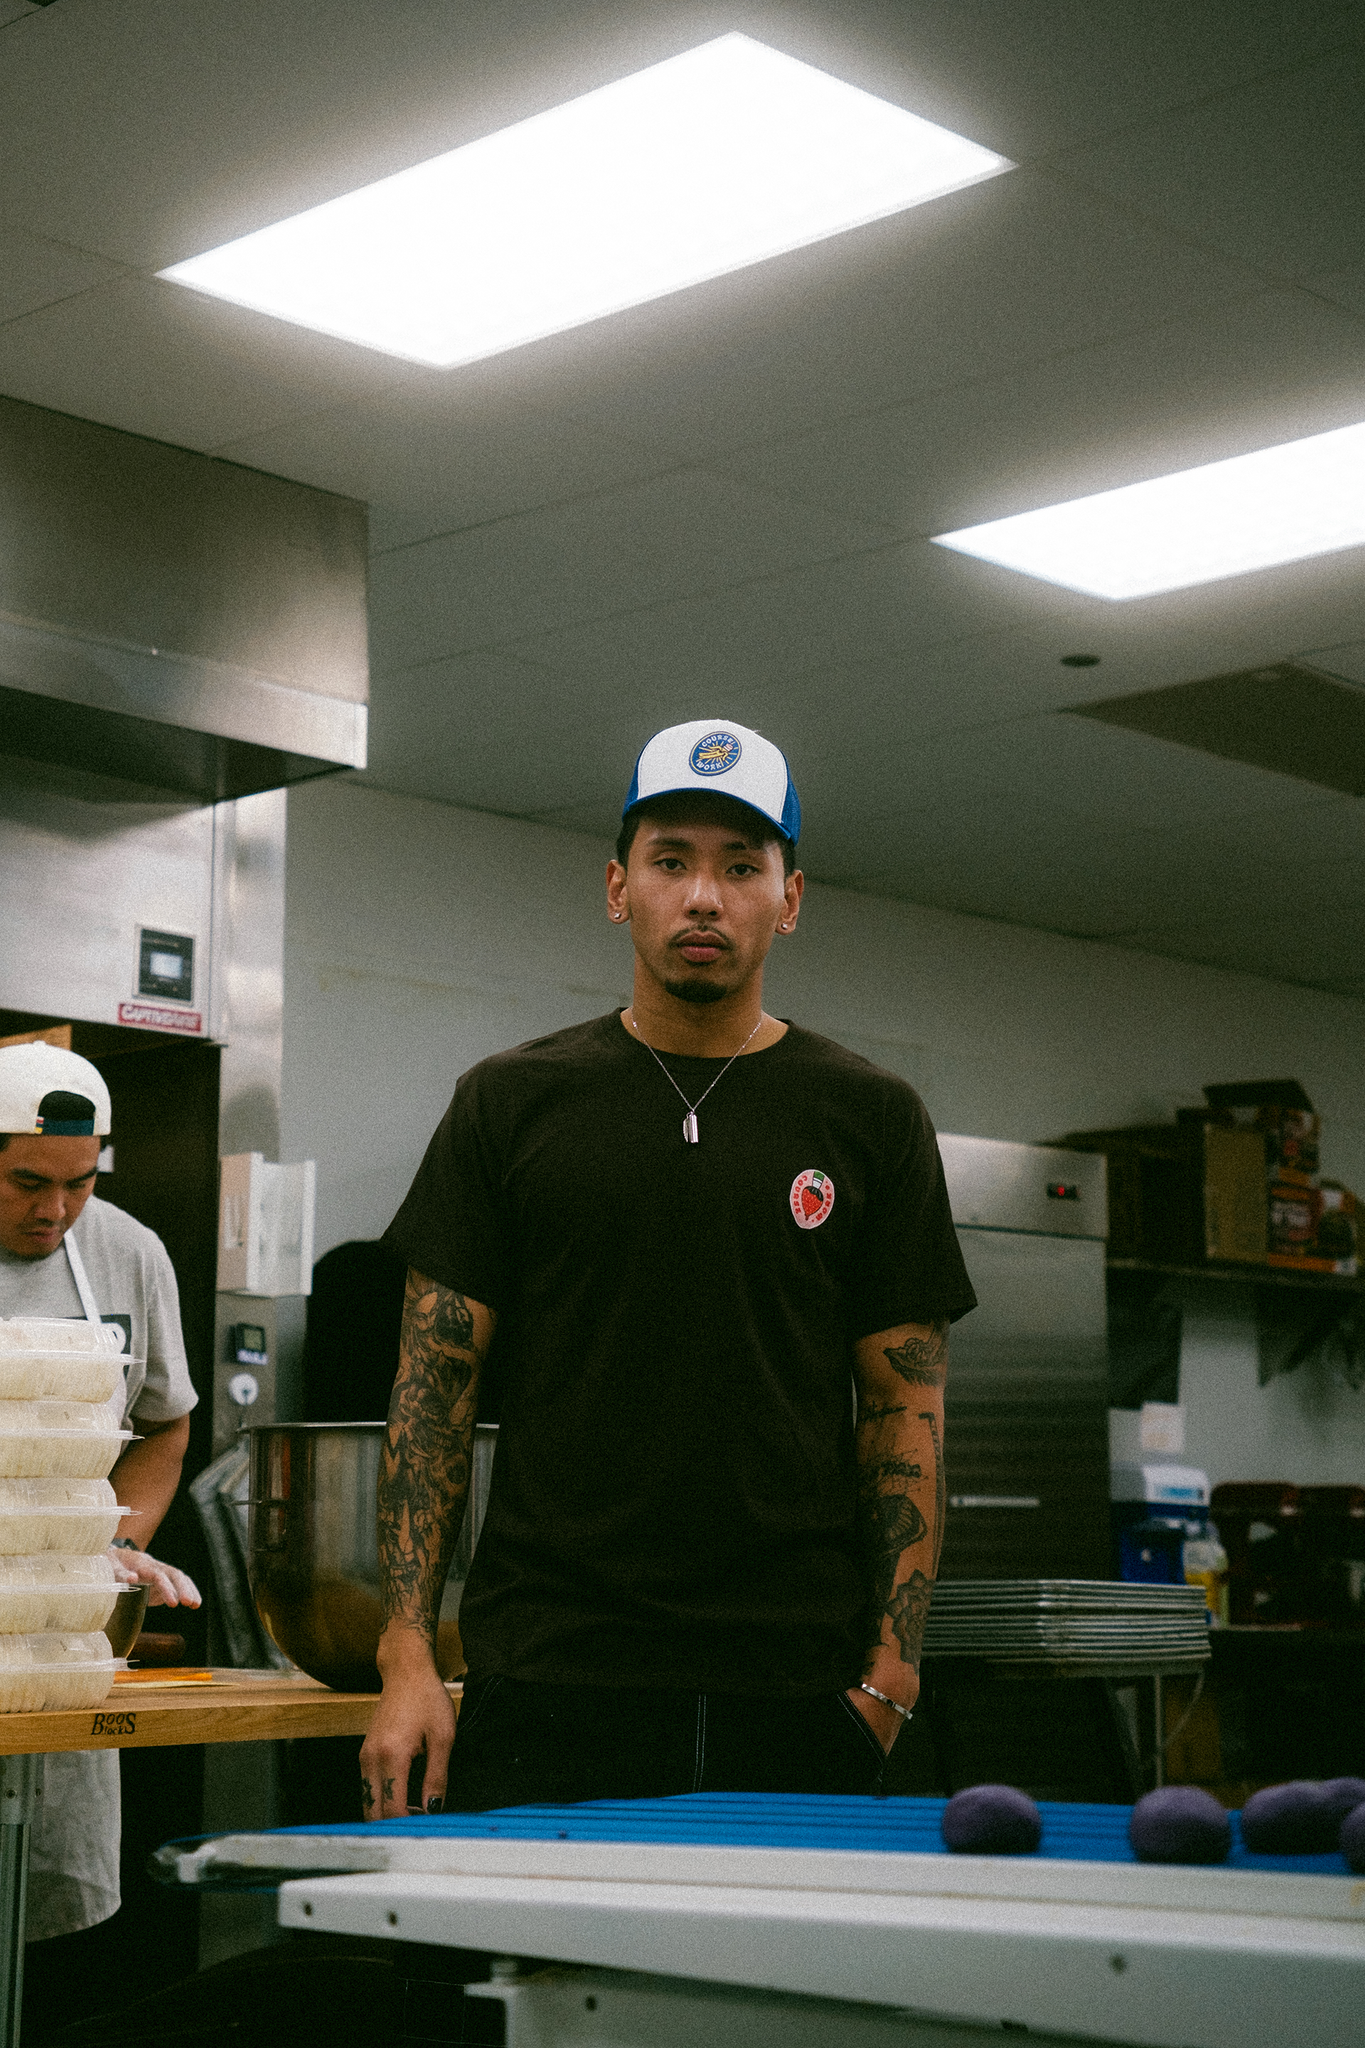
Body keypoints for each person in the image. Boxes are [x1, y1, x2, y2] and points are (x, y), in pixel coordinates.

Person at [361, 719, 975, 1818]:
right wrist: (408, 1651)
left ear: (790, 898)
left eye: (743, 866)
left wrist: (892, 1673)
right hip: (553, 1676)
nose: (706, 896)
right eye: (672, 861)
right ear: (617, 886)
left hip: (796, 1690)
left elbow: (903, 1405)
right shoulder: (510, 1101)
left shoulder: (871, 1116)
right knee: (529, 1988)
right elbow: (432, 1390)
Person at [0, 1040, 200, 1945]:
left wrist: (109, 1544)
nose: (56, 1212)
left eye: (79, 1183)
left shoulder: (127, 1251)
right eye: (27, 1182)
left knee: (34, 1930)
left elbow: (164, 1422)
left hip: (54, 1651)